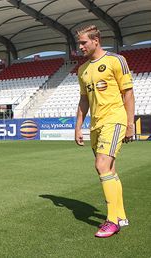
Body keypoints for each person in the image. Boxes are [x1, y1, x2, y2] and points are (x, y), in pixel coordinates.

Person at [74, 25, 135, 238]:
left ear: (96, 40)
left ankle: (112, 221)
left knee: (101, 165)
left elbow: (128, 93)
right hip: (96, 125)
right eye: (79, 43)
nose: (80, 47)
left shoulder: (116, 60)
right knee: (110, 169)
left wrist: (129, 124)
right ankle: (121, 215)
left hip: (114, 120)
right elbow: (83, 100)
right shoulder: (82, 70)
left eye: (83, 42)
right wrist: (78, 126)